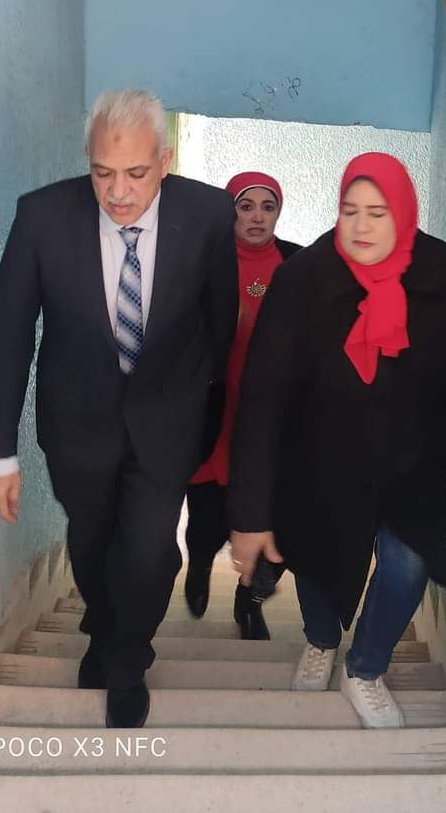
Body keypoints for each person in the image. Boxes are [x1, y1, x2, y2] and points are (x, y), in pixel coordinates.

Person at [0, 89, 237, 730]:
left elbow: (219, 323)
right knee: (92, 543)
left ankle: (127, 661)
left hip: (167, 421)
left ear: (165, 162)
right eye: (102, 172)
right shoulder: (41, 218)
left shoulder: (207, 215)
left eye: (136, 173)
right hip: (76, 425)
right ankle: (106, 629)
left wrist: (202, 416)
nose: (118, 192)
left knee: (149, 550)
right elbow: (8, 334)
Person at [228, 152, 446, 729]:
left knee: (408, 566)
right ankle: (321, 641)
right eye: (350, 211)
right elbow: (264, 397)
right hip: (320, 459)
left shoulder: (442, 270)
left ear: (404, 211)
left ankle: (366, 666)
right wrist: (250, 511)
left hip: (413, 460)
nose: (362, 226)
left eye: (378, 212)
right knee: (318, 562)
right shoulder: (304, 277)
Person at [184, 172, 301, 639]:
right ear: (229, 212)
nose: (257, 217)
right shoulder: (205, 262)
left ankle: (249, 601)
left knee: (278, 526)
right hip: (214, 411)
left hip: (274, 420)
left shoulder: (298, 264)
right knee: (208, 521)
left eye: (267, 207)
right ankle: (197, 566)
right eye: (245, 206)